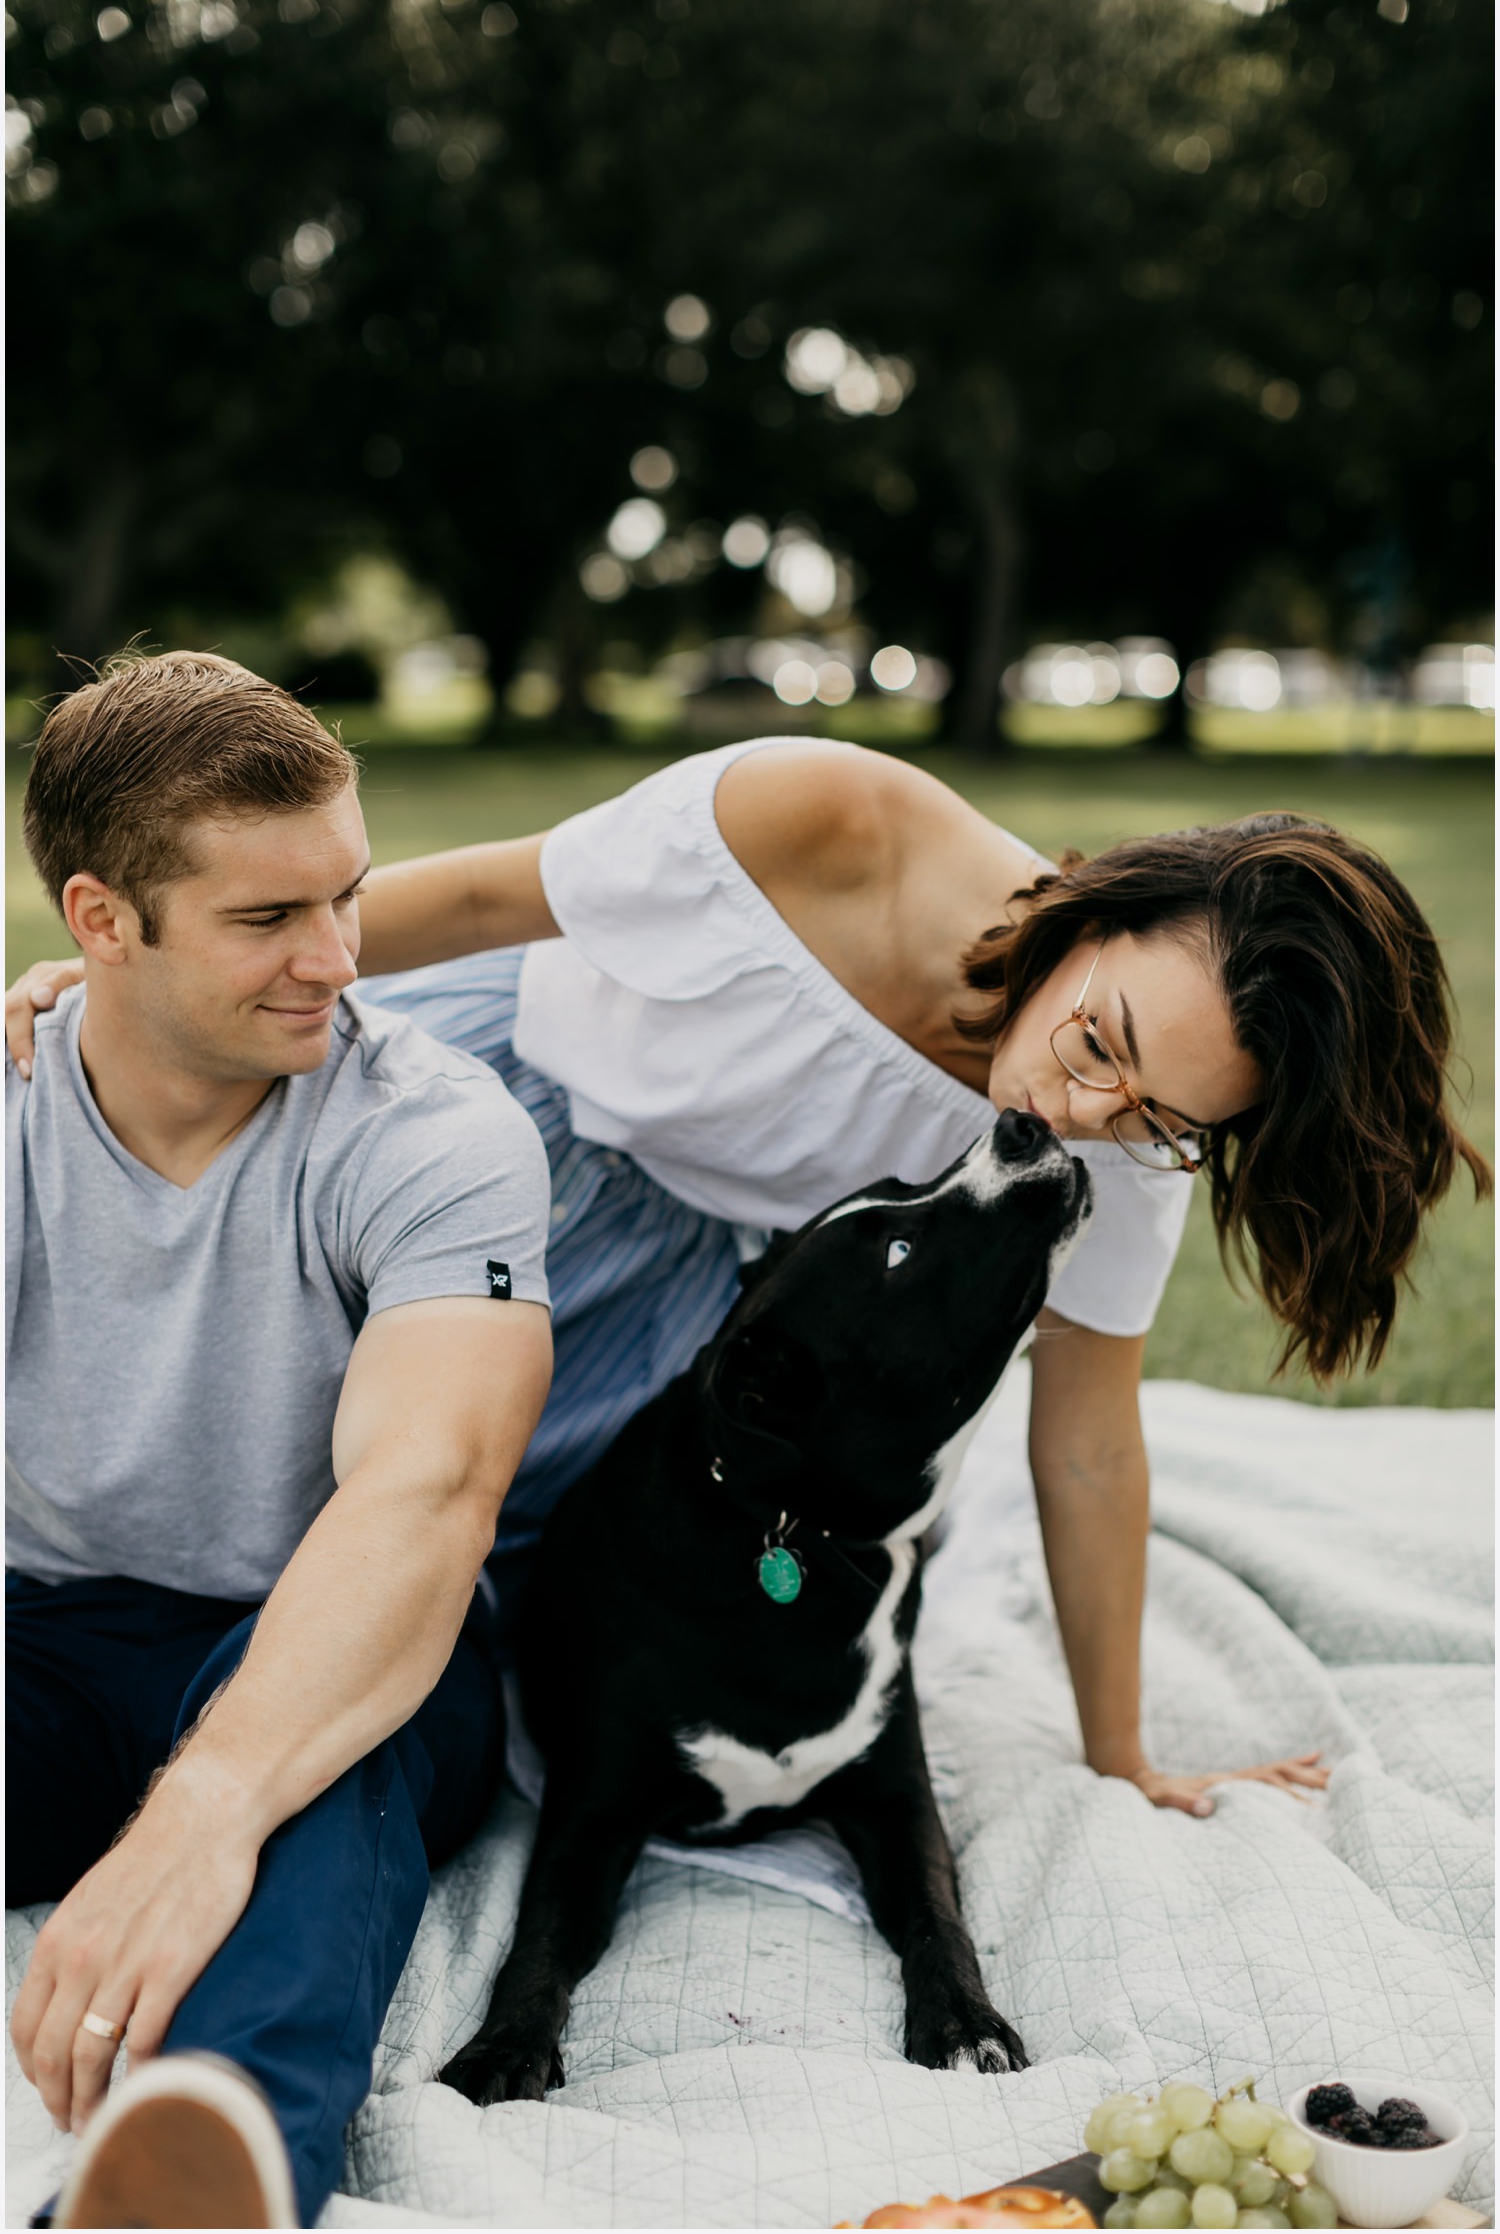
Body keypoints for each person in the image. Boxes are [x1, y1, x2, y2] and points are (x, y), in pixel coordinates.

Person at [13, 734, 1486, 1839]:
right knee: (150, 1403)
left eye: (1167, 1115)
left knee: (395, 1558)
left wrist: (1126, 1758)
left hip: (661, 1309)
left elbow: (1090, 1435)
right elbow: (470, 898)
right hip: (484, 1113)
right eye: (1102, 1043)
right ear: (1099, 904)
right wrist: (131, 989)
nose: (1090, 1110)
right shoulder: (832, 820)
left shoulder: (1114, 1148)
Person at [5, 652, 554, 2228]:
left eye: (348, 897)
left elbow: (429, 1493)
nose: (335, 958)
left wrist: (204, 1804)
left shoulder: (434, 1129)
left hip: (344, 1633)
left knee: (321, 1784)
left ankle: (206, 2144)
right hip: (46, 1627)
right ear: (103, 920)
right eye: (268, 919)